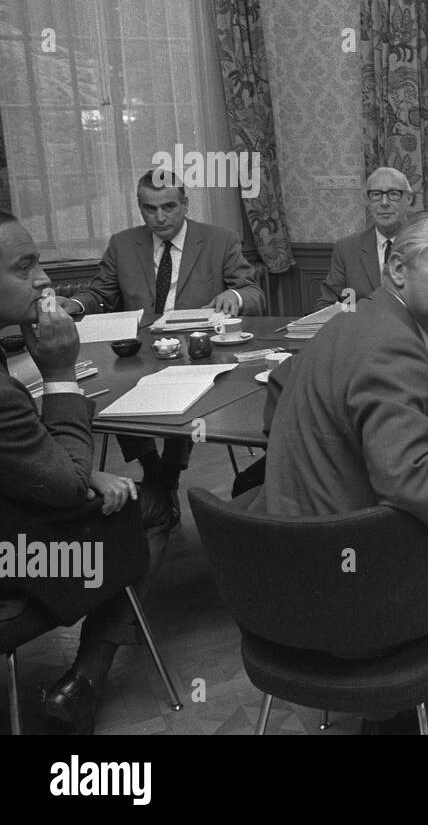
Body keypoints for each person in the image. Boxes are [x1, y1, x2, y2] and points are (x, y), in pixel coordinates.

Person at [252, 208, 428, 734]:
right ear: (397, 270)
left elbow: (278, 391)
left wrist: (341, 449)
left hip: (283, 576)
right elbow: (405, 476)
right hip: (350, 593)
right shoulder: (394, 343)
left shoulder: (349, 323)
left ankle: (418, 712)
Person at [0, 211, 164, 733]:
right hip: (16, 565)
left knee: (105, 499)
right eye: (25, 267)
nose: (43, 280)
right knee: (148, 509)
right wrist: (59, 374)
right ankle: (85, 680)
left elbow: (21, 459)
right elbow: (67, 488)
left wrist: (70, 471)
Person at [59, 168, 266, 519]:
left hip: (199, 353)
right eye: (149, 209)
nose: (160, 217)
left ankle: (166, 471)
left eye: (168, 206)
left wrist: (234, 294)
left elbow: (253, 292)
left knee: (186, 394)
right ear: (140, 208)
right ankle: (153, 466)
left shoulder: (219, 239)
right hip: (140, 354)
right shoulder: (123, 244)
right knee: (110, 394)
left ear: (185, 204)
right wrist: (75, 305)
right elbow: (98, 293)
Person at [315, 167, 416, 309]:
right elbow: (327, 303)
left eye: (394, 194)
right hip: (361, 328)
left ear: (409, 198)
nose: (384, 202)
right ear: (366, 199)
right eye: (376, 195)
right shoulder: (347, 249)